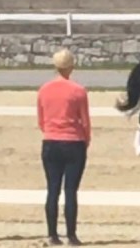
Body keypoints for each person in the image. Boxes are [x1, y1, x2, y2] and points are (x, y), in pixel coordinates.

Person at [37, 48, 91, 246]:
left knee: (52, 190)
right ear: (71, 67)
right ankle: (71, 234)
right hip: (73, 141)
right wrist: (85, 140)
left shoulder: (44, 89)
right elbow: (85, 121)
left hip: (51, 140)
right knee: (70, 191)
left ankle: (52, 234)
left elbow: (41, 120)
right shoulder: (78, 90)